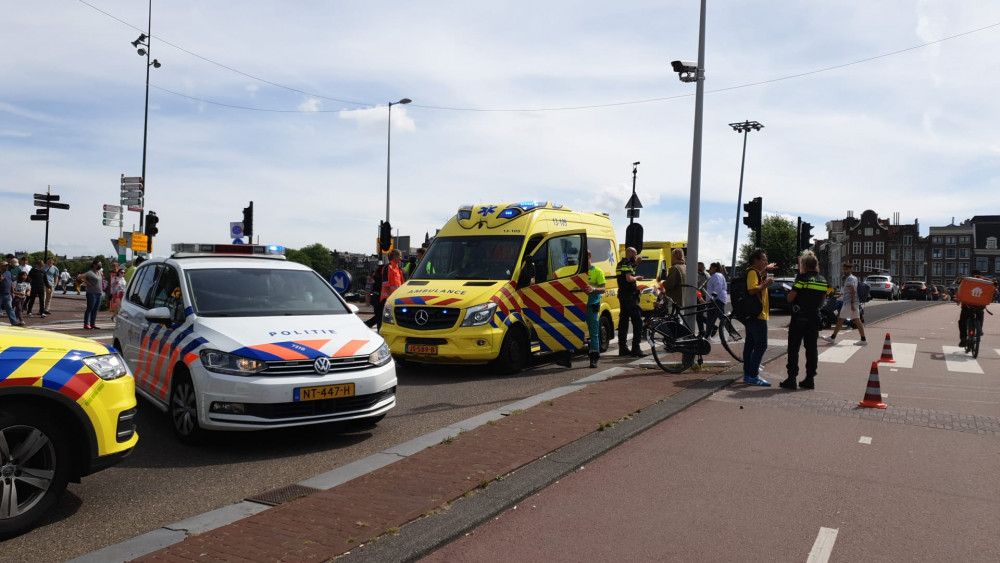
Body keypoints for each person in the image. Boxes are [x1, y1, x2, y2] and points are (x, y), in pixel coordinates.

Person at [780, 254, 828, 390]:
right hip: (814, 317)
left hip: (799, 317)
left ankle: (791, 378)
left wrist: (789, 292)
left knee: (793, 348)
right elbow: (822, 300)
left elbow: (790, 298)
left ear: (805, 266)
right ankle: (810, 378)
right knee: (812, 348)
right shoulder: (823, 280)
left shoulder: (802, 278)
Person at [743, 248, 776, 386]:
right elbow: (752, 290)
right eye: (763, 259)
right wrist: (766, 284)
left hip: (754, 315)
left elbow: (755, 282)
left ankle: (748, 374)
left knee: (750, 345)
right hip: (757, 315)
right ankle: (753, 375)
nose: (766, 262)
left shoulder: (754, 272)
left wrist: (766, 269)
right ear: (755, 261)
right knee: (761, 345)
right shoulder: (752, 272)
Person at [822, 263, 868, 345]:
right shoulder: (854, 278)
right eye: (844, 269)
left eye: (846, 269)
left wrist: (852, 303)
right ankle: (863, 339)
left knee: (840, 320)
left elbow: (853, 291)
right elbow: (850, 291)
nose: (844, 271)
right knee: (857, 320)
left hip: (849, 303)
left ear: (851, 269)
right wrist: (841, 294)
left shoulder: (849, 278)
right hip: (853, 302)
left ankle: (832, 337)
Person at [615, 247, 645, 357]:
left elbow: (628, 272)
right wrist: (637, 278)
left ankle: (622, 348)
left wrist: (635, 264)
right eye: (635, 254)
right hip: (630, 297)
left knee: (623, 322)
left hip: (623, 296)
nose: (636, 256)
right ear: (630, 254)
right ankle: (636, 348)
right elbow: (629, 278)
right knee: (637, 322)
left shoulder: (621, 263)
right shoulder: (626, 263)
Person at [582, 250, 606, 368]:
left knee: (594, 333)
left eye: (584, 257)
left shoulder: (598, 271)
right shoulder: (577, 272)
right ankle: (567, 356)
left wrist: (594, 289)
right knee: (573, 330)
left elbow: (603, 289)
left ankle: (594, 357)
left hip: (591, 305)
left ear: (589, 256)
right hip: (579, 305)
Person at [957, 269, 988, 347]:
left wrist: (958, 299)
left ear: (971, 274)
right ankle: (979, 329)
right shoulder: (986, 282)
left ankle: (963, 339)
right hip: (980, 306)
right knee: (980, 313)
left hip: (967, 306)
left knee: (962, 321)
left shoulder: (967, 281)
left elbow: (960, 291)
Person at [378, 250, 405, 332]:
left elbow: (401, 285)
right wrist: (391, 297)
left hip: (396, 299)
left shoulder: (398, 269)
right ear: (395, 256)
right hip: (387, 299)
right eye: (400, 256)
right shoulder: (388, 267)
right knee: (385, 321)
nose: (401, 258)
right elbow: (386, 284)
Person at [704, 262, 728, 340]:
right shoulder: (717, 276)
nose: (709, 270)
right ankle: (707, 336)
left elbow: (718, 287)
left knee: (721, 318)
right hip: (716, 300)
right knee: (710, 319)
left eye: (710, 268)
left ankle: (732, 333)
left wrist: (712, 299)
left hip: (717, 300)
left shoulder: (716, 276)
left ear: (714, 268)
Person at [83, 259, 104, 330]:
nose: (100, 266)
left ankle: (93, 324)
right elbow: (80, 277)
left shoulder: (99, 272)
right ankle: (86, 324)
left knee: (95, 309)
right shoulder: (90, 272)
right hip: (92, 293)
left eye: (100, 265)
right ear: (94, 265)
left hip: (99, 293)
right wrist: (87, 283)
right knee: (90, 308)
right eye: (99, 264)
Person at [1, 262, 20, 326]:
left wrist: (12, 291)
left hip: (7, 294)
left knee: (10, 308)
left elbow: (11, 282)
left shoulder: (8, 273)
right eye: (5, 266)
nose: (6, 267)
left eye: (7, 266)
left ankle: (14, 322)